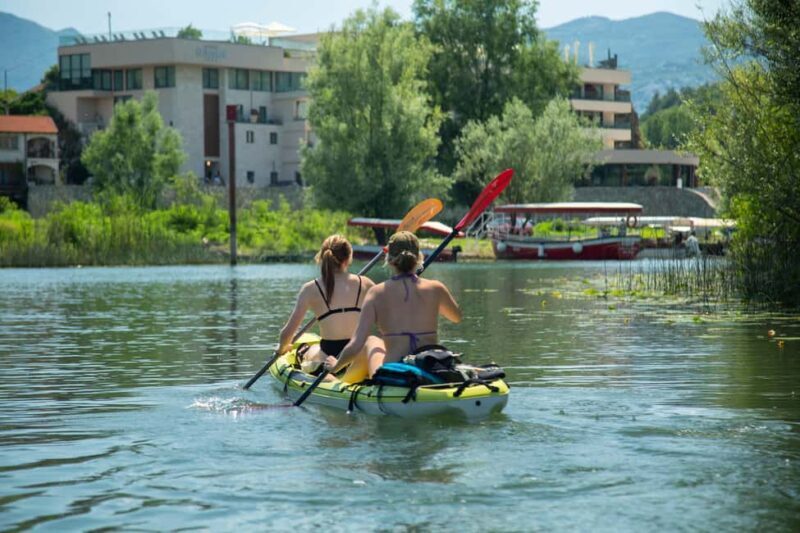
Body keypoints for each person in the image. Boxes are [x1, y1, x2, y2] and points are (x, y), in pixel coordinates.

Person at [327, 231, 462, 380]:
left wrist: (335, 365)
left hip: (395, 374)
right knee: (377, 343)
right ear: (419, 257)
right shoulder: (436, 288)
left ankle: (343, 383)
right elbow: (456, 317)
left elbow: (356, 344)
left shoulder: (376, 293)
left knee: (371, 342)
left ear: (389, 259)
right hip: (429, 370)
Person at [277, 235, 375, 382]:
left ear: (322, 257)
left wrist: (281, 349)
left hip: (328, 358)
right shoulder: (366, 284)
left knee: (305, 350)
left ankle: (330, 378)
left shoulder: (310, 289)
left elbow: (287, 334)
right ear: (349, 258)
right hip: (357, 356)